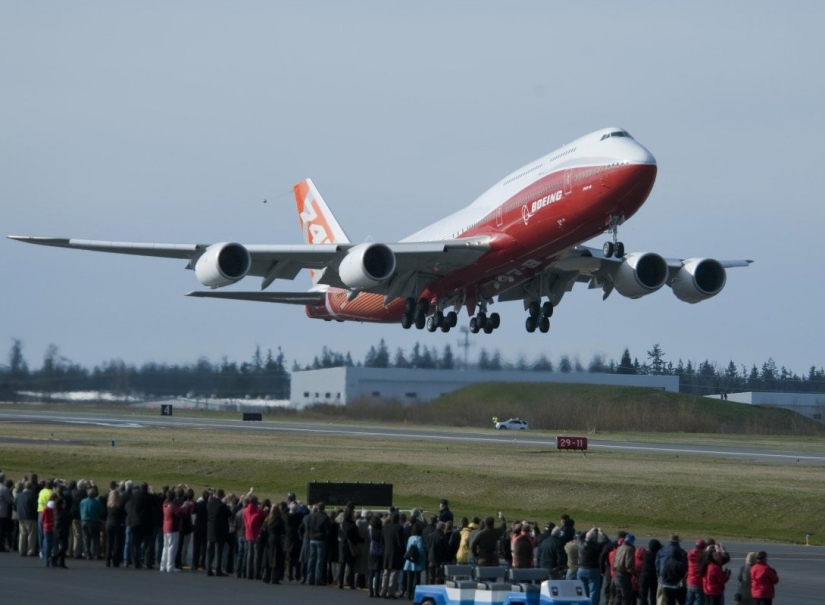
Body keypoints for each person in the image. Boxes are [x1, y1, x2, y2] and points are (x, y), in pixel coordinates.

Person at [577, 528, 606, 605]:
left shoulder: (580, 544)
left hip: (581, 569)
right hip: (592, 570)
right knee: (593, 590)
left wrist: (589, 531)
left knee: (582, 590)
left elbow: (580, 536)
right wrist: (601, 533)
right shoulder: (596, 547)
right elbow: (606, 541)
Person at [656, 534, 688, 605]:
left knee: (665, 601)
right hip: (678, 582)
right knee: (682, 601)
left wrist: (659, 576)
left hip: (664, 581)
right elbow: (685, 566)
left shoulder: (661, 551)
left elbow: (657, 565)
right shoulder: (682, 552)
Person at [206, 488, 231, 576]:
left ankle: (208, 568)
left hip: (210, 528)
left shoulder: (209, 503)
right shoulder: (222, 505)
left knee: (210, 550)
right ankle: (218, 568)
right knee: (219, 550)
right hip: (220, 529)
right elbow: (229, 514)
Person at [306, 502, 330, 585]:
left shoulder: (312, 516)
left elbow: (308, 527)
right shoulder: (325, 517)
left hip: (312, 539)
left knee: (311, 559)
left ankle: (309, 578)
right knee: (319, 560)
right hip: (321, 540)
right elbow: (327, 531)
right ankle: (318, 579)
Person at [403, 522, 427, 599]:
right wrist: (423, 557)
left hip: (409, 560)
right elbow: (420, 550)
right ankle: (414, 594)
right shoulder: (419, 538)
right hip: (416, 561)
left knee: (409, 579)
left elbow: (407, 548)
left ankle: (408, 593)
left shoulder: (410, 537)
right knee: (416, 579)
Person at [612, 533, 636, 605]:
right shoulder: (630, 549)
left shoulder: (619, 547)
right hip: (624, 574)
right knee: (626, 596)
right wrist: (633, 572)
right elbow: (628, 564)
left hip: (617, 573)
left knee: (618, 595)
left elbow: (614, 560)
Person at [638, 539, 661, 605]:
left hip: (644, 576)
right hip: (654, 577)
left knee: (643, 597)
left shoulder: (645, 554)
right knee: (653, 597)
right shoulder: (657, 555)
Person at [686, 540, 707, 605]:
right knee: (700, 602)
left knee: (689, 601)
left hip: (690, 581)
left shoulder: (690, 554)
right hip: (699, 582)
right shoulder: (702, 557)